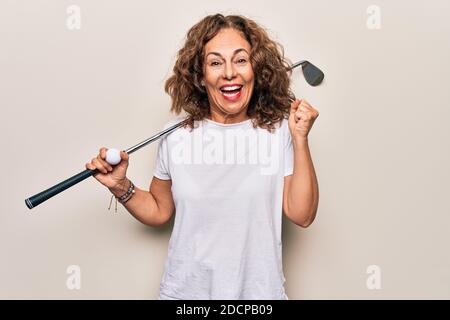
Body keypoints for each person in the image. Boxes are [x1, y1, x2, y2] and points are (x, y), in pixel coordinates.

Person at [86, 13, 319, 300]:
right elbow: (160, 210)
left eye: (241, 60)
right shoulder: (175, 134)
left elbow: (302, 215)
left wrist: (300, 139)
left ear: (256, 69)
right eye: (216, 62)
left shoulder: (279, 131)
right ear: (200, 75)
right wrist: (120, 186)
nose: (230, 73)